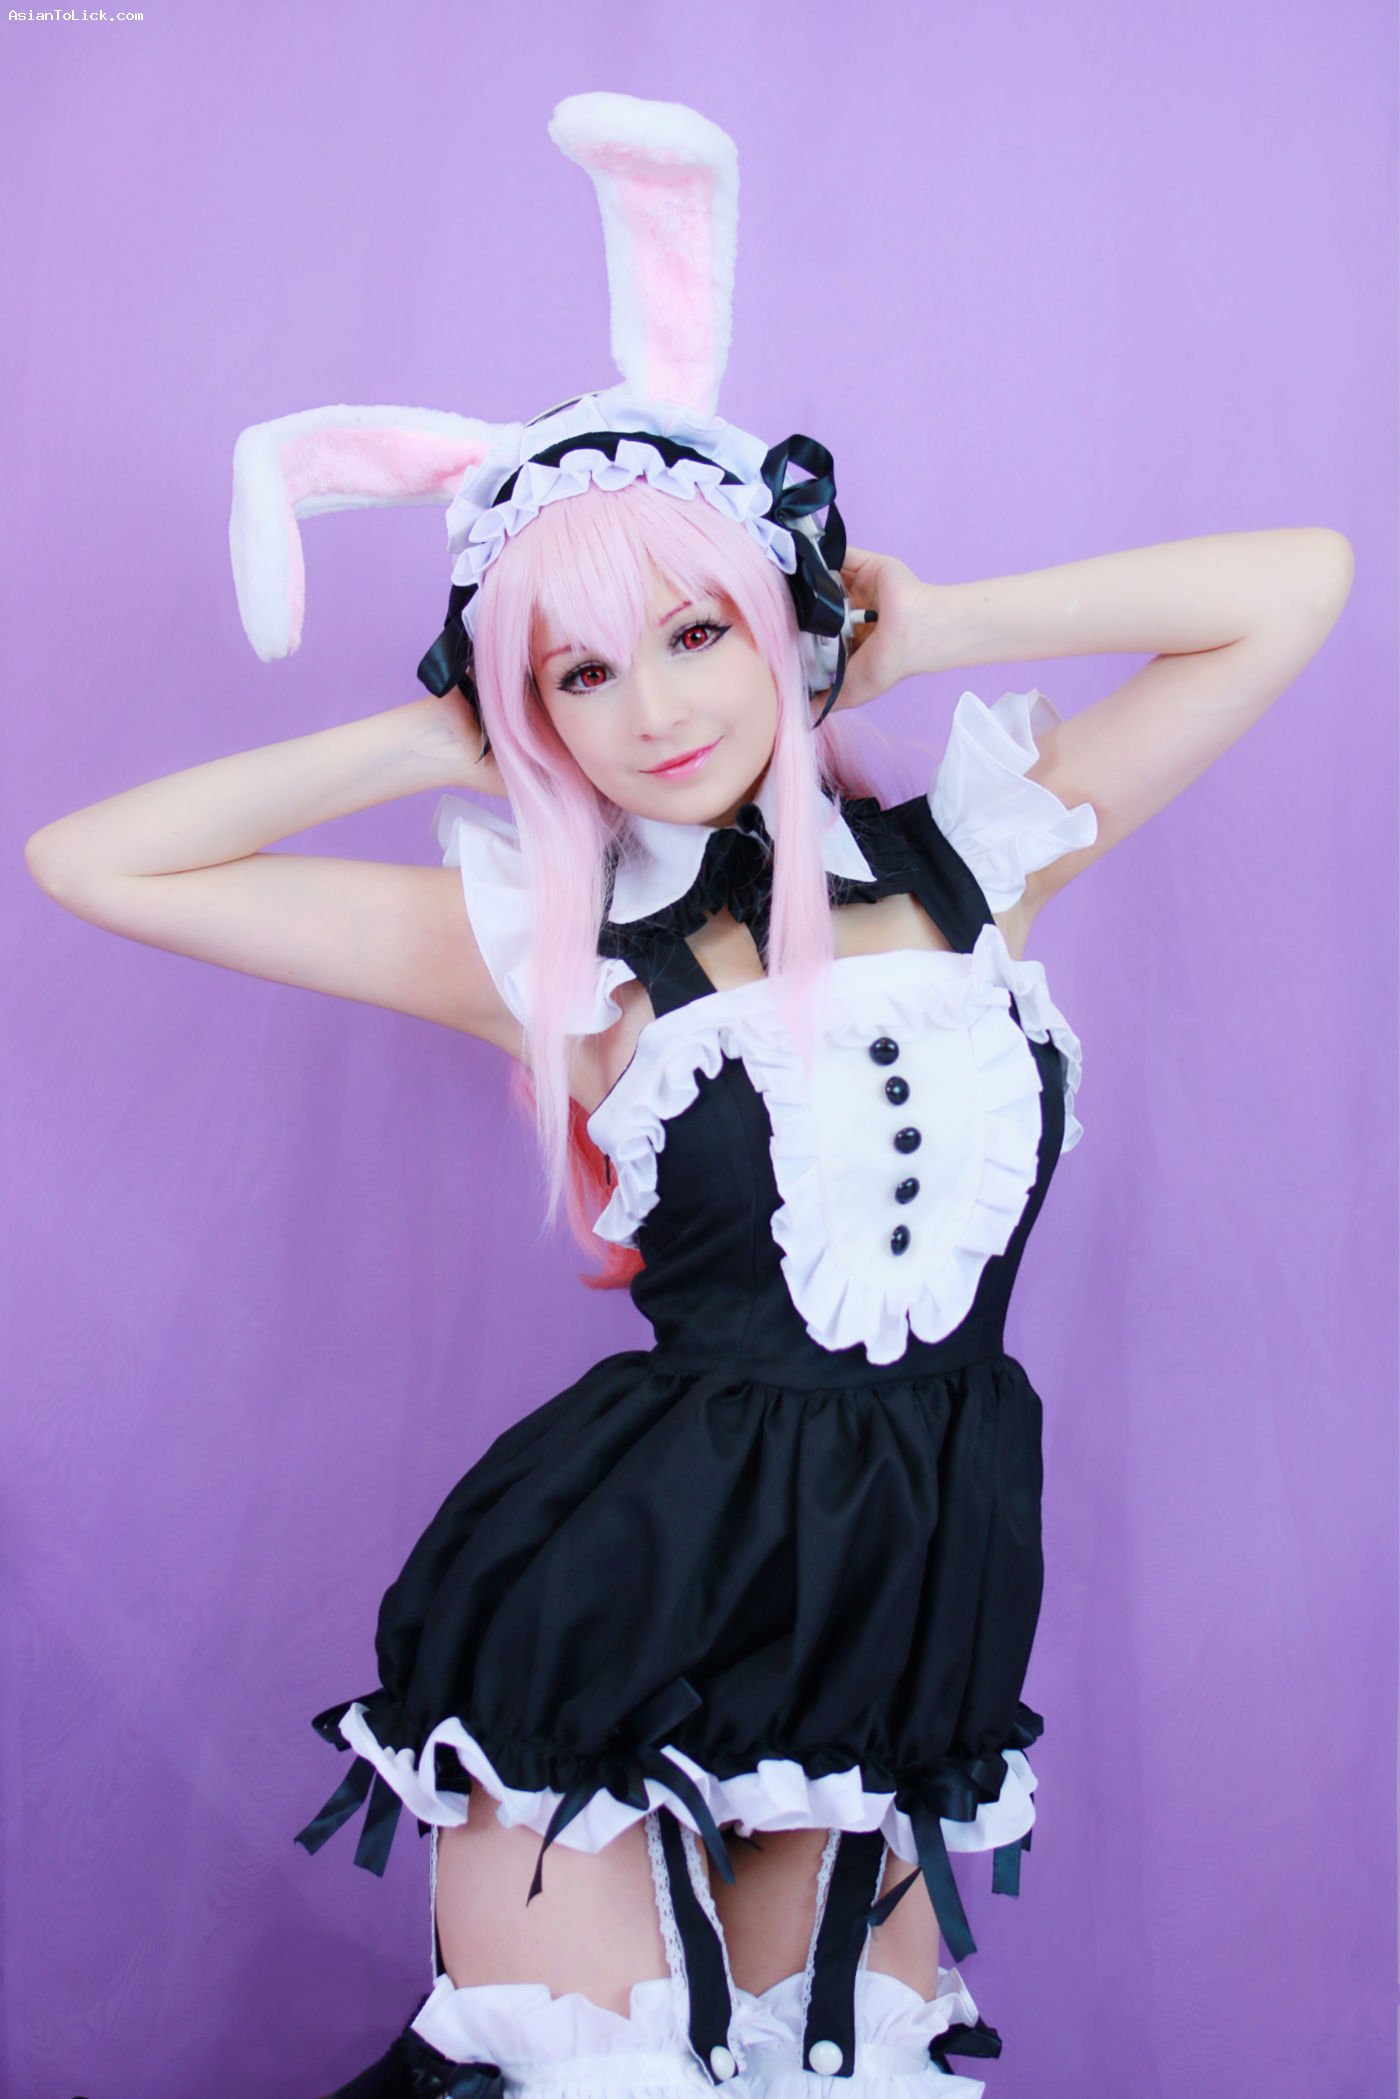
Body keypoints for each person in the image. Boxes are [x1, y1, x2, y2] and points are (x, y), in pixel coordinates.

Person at [22, 94, 1354, 2099]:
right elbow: (96, 862)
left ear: (777, 620)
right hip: (612, 1608)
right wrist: (433, 742)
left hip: (901, 1615)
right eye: (575, 675)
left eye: (697, 631)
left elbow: (1298, 583)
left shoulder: (975, 863)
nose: (649, 711)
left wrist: (936, 629)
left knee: (854, 2073)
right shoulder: (554, 956)